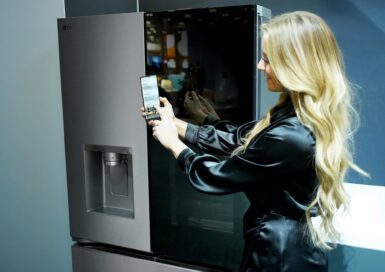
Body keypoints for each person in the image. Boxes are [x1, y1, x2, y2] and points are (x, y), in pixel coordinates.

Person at [142, 11, 367, 271]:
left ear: (294, 65)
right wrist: (176, 123)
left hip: (278, 252)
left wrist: (174, 144)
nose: (260, 66)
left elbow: (217, 175)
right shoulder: (294, 114)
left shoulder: (292, 135)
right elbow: (241, 139)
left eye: (268, 60)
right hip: (289, 244)